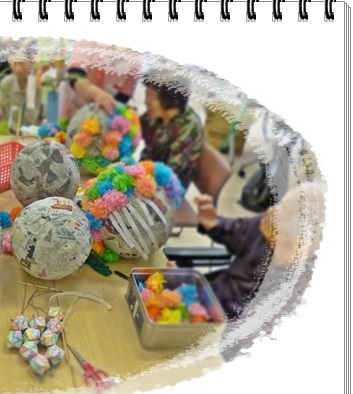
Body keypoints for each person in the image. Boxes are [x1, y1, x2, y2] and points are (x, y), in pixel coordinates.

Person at [194, 181, 326, 320]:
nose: (271, 211)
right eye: (281, 204)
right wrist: (213, 223)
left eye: (285, 211)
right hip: (209, 299)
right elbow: (235, 230)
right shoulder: (267, 223)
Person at [139, 72, 204, 189]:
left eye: (152, 97)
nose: (146, 102)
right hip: (147, 172)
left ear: (170, 100)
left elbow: (172, 173)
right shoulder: (156, 115)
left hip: (170, 186)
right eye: (147, 95)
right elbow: (135, 129)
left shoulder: (188, 125)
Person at [59, 40, 142, 118]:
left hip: (104, 114)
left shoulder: (136, 58)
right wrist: (98, 94)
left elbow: (123, 97)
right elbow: (75, 76)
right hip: (73, 103)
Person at [0, 50, 44, 129]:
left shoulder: (34, 84)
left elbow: (32, 116)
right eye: (14, 64)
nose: (18, 68)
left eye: (21, 63)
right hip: (9, 128)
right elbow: (0, 106)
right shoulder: (6, 82)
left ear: (29, 65)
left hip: (30, 129)